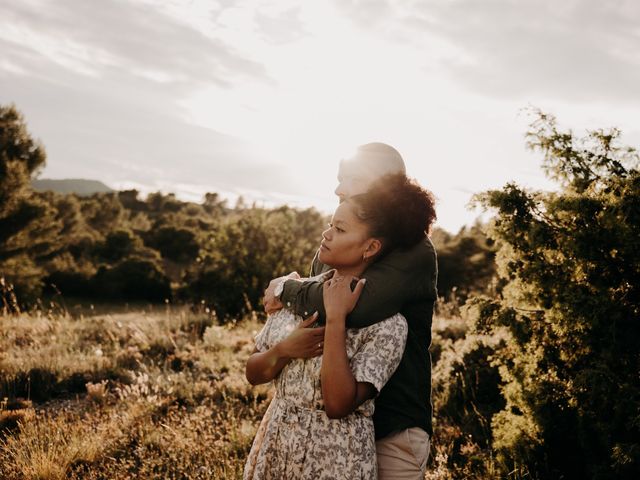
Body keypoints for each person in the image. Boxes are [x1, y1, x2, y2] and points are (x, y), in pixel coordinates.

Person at [263, 143, 438, 479]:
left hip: (392, 424)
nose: (338, 189)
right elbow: (322, 306)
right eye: (339, 178)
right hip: (336, 428)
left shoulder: (415, 249)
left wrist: (285, 288)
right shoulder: (339, 240)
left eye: (352, 178)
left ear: (386, 185)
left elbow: (354, 305)